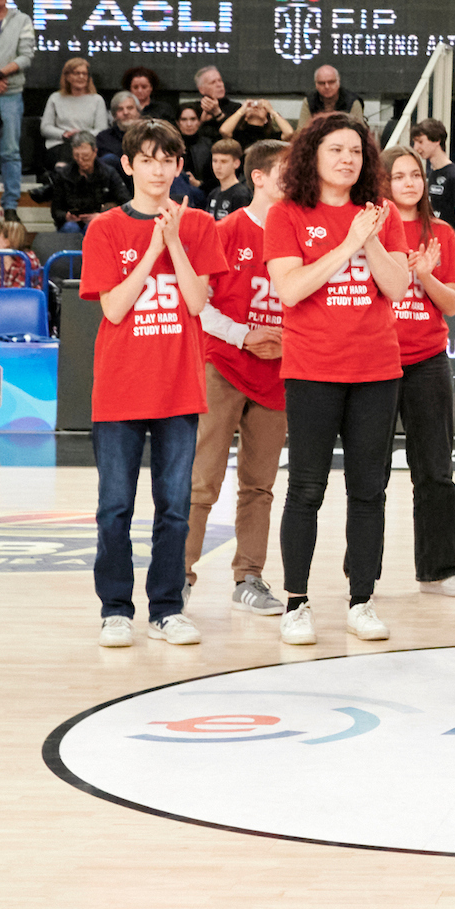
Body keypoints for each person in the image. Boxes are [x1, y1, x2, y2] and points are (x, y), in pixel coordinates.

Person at [266, 114, 411, 646]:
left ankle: (362, 599)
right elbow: (291, 289)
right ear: (313, 155)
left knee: (369, 491)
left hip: (376, 369)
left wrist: (368, 237)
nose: (348, 158)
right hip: (312, 370)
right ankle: (297, 603)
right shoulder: (286, 215)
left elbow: (396, 288)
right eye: (336, 149)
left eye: (356, 150)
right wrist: (348, 243)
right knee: (306, 488)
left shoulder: (383, 214)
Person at [83, 119, 219, 649]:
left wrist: (175, 242)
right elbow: (115, 306)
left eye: (168, 160)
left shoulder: (200, 226)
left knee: (175, 505)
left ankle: (166, 607)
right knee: (115, 506)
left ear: (180, 167)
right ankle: (115, 609)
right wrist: (152, 250)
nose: (158, 169)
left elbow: (196, 302)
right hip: (119, 389)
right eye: (148, 159)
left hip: (178, 387)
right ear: (129, 165)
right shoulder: (106, 229)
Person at [186, 139, 290, 615]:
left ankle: (249, 576)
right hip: (223, 366)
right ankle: (179, 575)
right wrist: (243, 335)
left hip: (277, 374)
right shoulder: (226, 230)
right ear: (260, 178)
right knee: (202, 480)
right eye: (285, 171)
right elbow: (198, 303)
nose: (294, 179)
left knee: (260, 484)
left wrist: (289, 339)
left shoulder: (300, 235)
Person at [380, 144, 455, 599]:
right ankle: (362, 574)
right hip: (375, 361)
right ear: (382, 183)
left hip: (427, 361)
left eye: (414, 175)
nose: (410, 183)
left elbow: (452, 303)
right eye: (398, 177)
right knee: (369, 473)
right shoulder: (369, 230)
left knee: (435, 470)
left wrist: (426, 276)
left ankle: (438, 571)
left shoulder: (442, 234)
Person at [408, 119, 455, 272]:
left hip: (448, 252)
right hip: (432, 250)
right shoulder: (431, 173)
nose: (416, 147)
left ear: (436, 140)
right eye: (415, 142)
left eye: (420, 142)